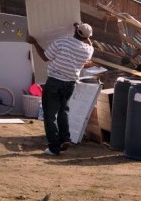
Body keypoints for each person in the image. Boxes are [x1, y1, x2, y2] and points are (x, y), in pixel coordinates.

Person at [28, 22, 94, 156]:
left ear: (76, 32)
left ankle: (54, 147)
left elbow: (45, 57)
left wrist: (34, 43)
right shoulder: (88, 50)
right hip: (70, 84)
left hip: (54, 82)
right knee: (63, 111)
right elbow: (89, 43)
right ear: (87, 37)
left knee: (50, 115)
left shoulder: (62, 42)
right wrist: (81, 31)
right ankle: (65, 138)